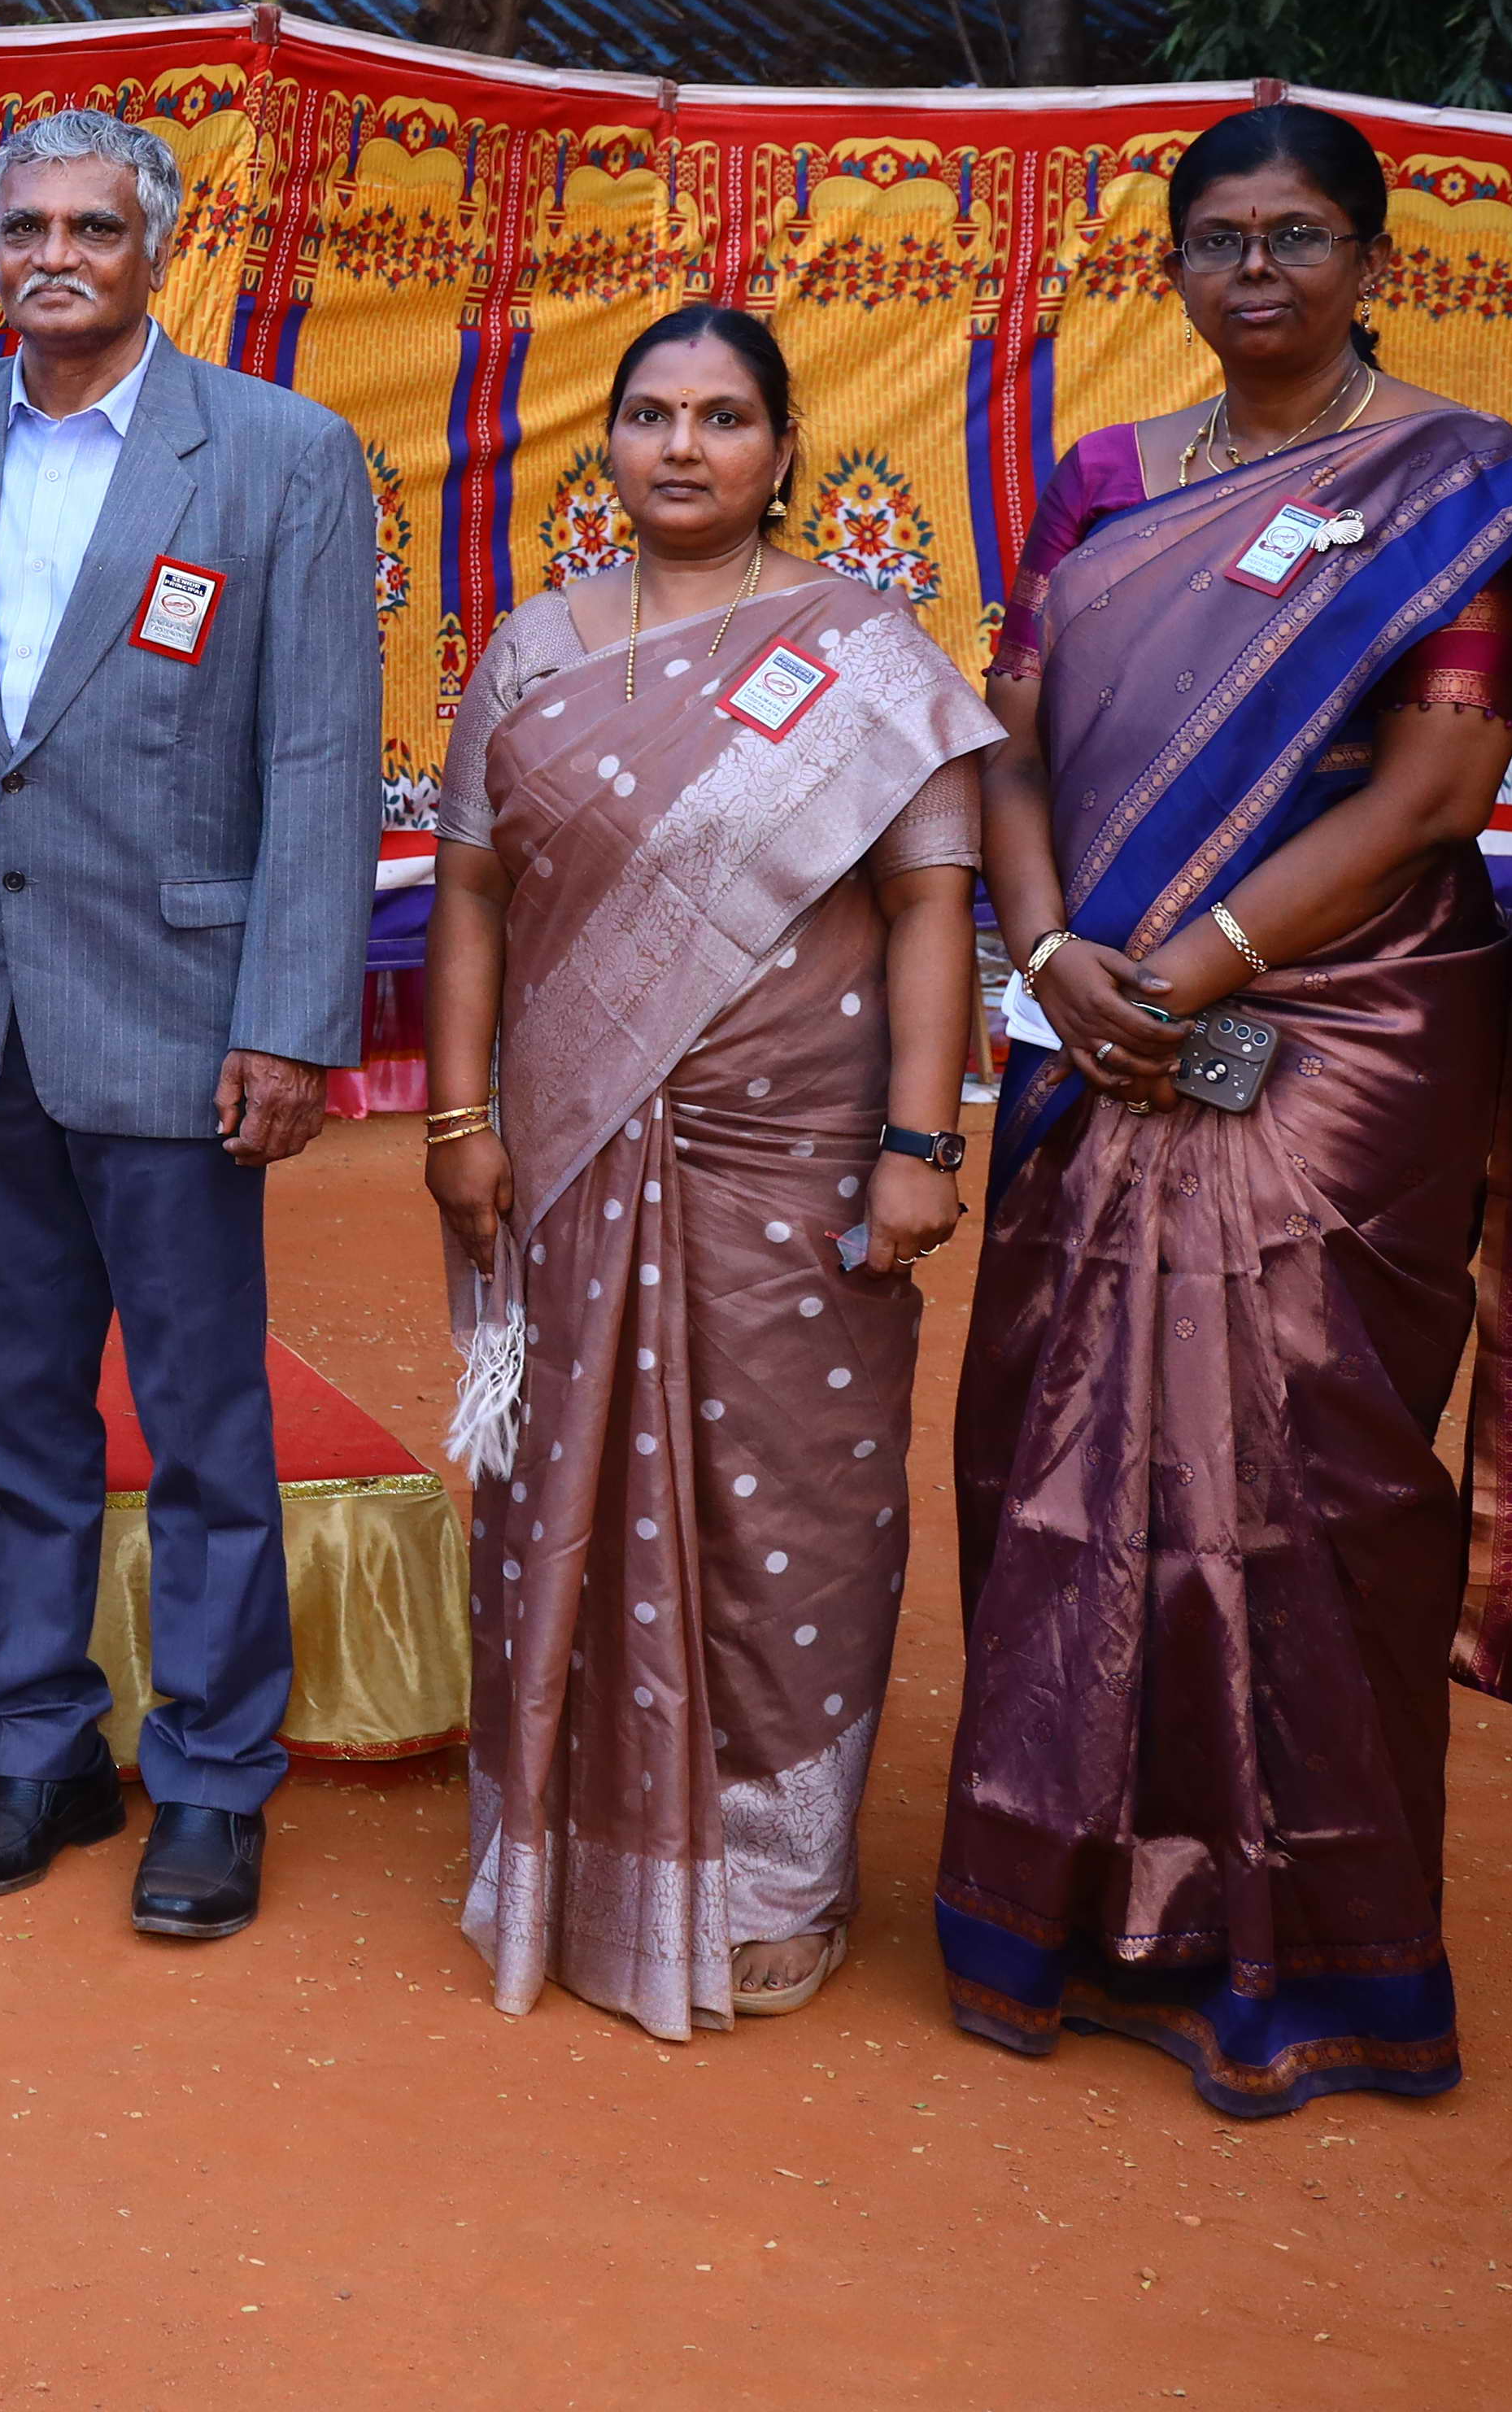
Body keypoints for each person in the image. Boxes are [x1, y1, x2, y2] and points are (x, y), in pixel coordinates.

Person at [948, 101, 1512, 2119]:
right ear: (1177, 267)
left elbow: (1435, 787)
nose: (1258, 273)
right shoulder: (1106, 483)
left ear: (1371, 260)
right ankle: (1068, 1914)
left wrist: (1193, 958)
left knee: (1309, 1491)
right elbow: (1015, 746)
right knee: (1059, 1465)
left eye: (1299, 237)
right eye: (1219, 239)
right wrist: (1052, 962)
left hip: (1338, 1037)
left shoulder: (1448, 491)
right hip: (1093, 1013)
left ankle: (1310, 1953)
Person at [417, 304, 997, 2035]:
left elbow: (926, 906)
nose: (684, 446)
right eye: (653, 414)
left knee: (792, 1512)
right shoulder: (531, 652)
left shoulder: (862, 653)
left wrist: (918, 1138)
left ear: (782, 446)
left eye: (723, 416)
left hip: (797, 1149)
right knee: (557, 1500)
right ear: (609, 444)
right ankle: (571, 1850)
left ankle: (770, 1877)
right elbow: (471, 897)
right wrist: (460, 1120)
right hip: (576, 1141)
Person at [0, 108, 377, 1942]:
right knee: (11, 1413)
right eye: (27, 225)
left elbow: (317, 753)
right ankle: (42, 1746)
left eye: (95, 223)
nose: (57, 250)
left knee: (206, 1423)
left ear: (158, 246)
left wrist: (291, 1019)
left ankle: (216, 1778)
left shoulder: (281, 455)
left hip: (177, 1009)